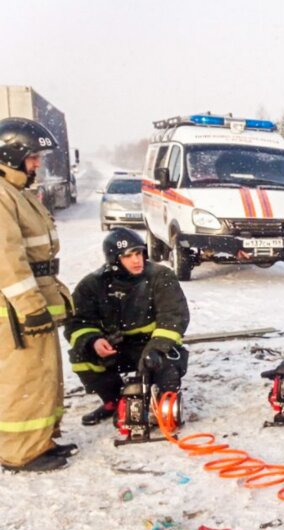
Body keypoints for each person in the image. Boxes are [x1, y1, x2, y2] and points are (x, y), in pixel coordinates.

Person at [0, 117, 76, 473]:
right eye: (32, 157)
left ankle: (40, 440)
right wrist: (30, 307)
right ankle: (20, 451)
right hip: (16, 311)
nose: (37, 164)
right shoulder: (3, 197)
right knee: (24, 380)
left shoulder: (16, 193)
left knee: (43, 375)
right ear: (11, 154)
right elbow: (7, 261)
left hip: (30, 304)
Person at [66, 227, 190, 427]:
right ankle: (114, 402)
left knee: (167, 366)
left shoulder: (161, 276)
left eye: (139, 253)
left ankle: (161, 403)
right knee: (81, 357)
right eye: (128, 256)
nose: (136, 260)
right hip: (116, 347)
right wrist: (93, 342)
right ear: (114, 260)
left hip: (153, 345)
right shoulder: (92, 284)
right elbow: (77, 322)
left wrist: (156, 349)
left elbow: (174, 317)